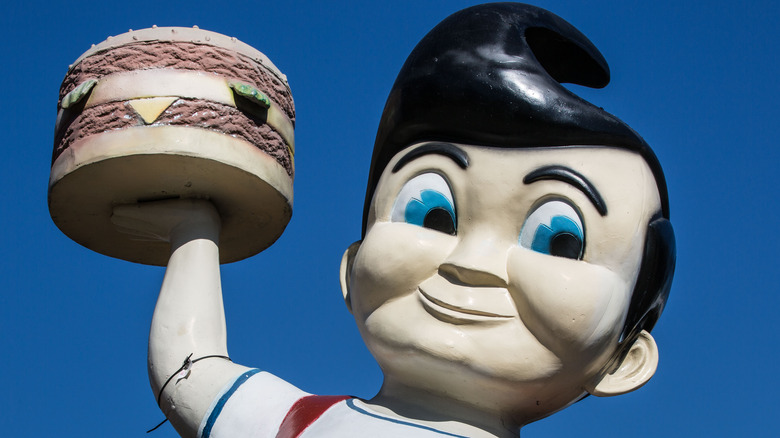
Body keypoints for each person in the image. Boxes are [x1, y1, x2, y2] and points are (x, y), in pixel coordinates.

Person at [112, 3, 675, 437]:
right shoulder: (298, 423)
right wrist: (194, 226)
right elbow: (190, 371)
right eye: (431, 212)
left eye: (559, 241)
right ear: (351, 270)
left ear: (624, 360)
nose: (468, 263)